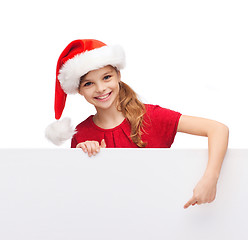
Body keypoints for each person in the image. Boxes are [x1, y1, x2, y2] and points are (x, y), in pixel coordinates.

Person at [46, 39, 229, 209]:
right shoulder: (82, 135)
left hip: (159, 212)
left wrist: (210, 179)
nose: (100, 88)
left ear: (118, 75)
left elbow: (217, 129)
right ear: (79, 90)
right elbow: (82, 195)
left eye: (106, 77)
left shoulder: (150, 116)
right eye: (88, 84)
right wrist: (88, 158)